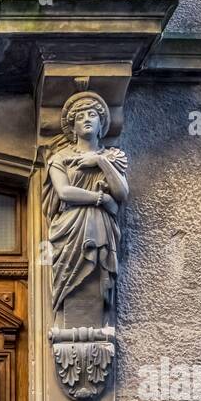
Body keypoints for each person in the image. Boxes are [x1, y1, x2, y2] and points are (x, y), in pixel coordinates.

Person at [42, 91, 129, 315]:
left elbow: (121, 193)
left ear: (101, 124)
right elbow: (64, 192)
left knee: (96, 282)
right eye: (80, 117)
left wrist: (100, 161)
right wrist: (101, 198)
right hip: (70, 228)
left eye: (92, 115)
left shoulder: (113, 157)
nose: (86, 119)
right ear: (72, 129)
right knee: (71, 282)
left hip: (101, 228)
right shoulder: (59, 158)